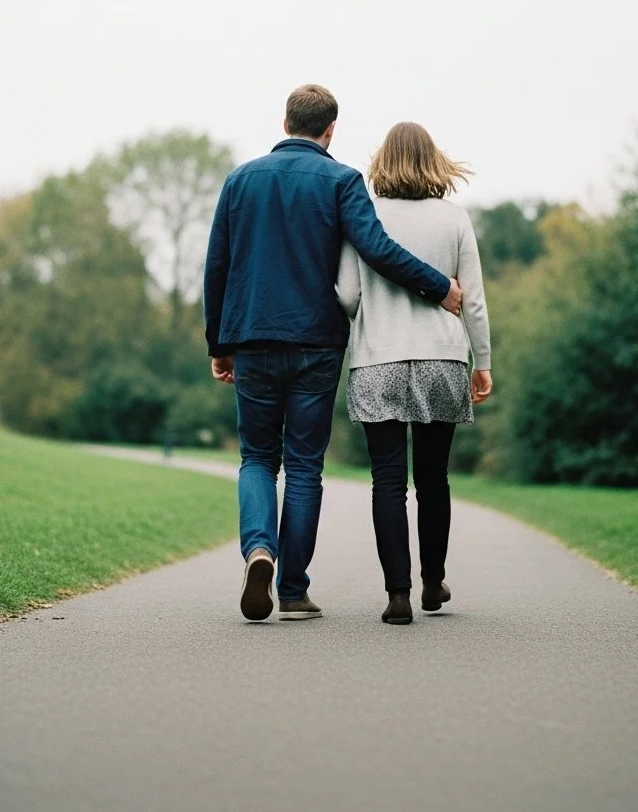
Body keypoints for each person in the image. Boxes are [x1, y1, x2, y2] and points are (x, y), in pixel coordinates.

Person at [204, 86, 464, 623]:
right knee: (303, 466)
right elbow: (378, 250)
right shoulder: (342, 181)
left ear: (284, 122)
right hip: (316, 345)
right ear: (331, 130)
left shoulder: (240, 181)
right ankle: (294, 591)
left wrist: (219, 343)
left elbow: (218, 266)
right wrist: (439, 286)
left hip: (250, 337)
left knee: (256, 457)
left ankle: (259, 550)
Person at [336, 121, 492, 625]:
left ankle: (397, 595)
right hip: (442, 360)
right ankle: (432, 582)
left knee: (387, 482)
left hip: (377, 359)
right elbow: (474, 301)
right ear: (433, 161)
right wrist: (483, 362)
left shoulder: (363, 215)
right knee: (433, 478)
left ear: (383, 160)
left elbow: (348, 295)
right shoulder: (454, 219)